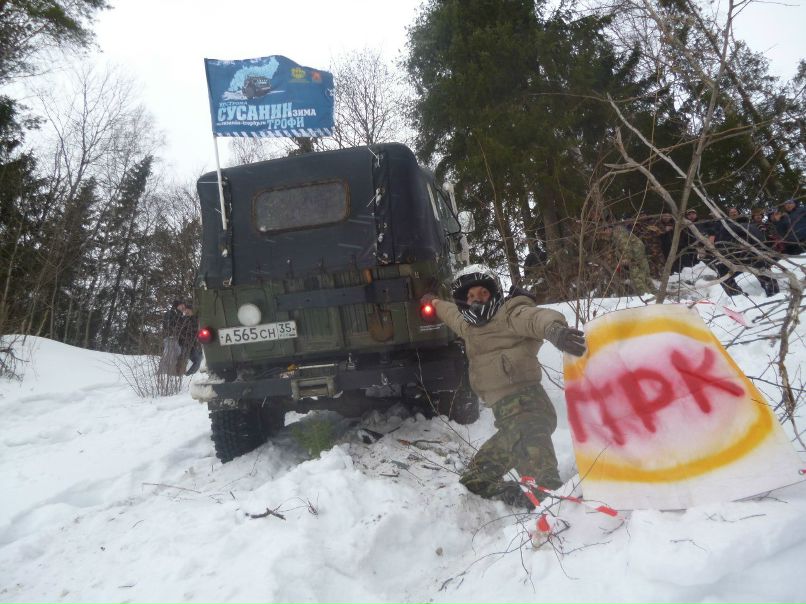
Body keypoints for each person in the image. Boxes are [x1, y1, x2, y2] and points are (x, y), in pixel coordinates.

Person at [421, 264, 586, 509]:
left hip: (530, 413)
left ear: (493, 293)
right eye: (471, 297)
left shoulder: (510, 314)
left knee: (547, 488)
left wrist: (556, 332)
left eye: (483, 294)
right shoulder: (468, 327)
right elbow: (450, 313)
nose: (477, 301)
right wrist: (433, 302)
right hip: (509, 423)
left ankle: (560, 518)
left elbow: (537, 319)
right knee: (475, 480)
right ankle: (523, 499)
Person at [159, 300, 185, 375]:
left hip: (175, 338)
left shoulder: (179, 315)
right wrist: (172, 333)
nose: (183, 307)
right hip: (170, 337)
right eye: (182, 305)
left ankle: (170, 373)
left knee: (177, 353)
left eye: (184, 305)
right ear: (177, 306)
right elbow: (168, 324)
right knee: (168, 355)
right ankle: (162, 374)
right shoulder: (171, 313)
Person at [177, 302, 202, 375]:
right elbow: (179, 332)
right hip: (184, 343)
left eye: (188, 310)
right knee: (182, 359)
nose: (186, 312)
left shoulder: (196, 319)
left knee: (198, 360)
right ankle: (178, 376)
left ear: (191, 311)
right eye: (185, 310)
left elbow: (197, 330)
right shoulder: (182, 320)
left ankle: (188, 375)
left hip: (193, 344)